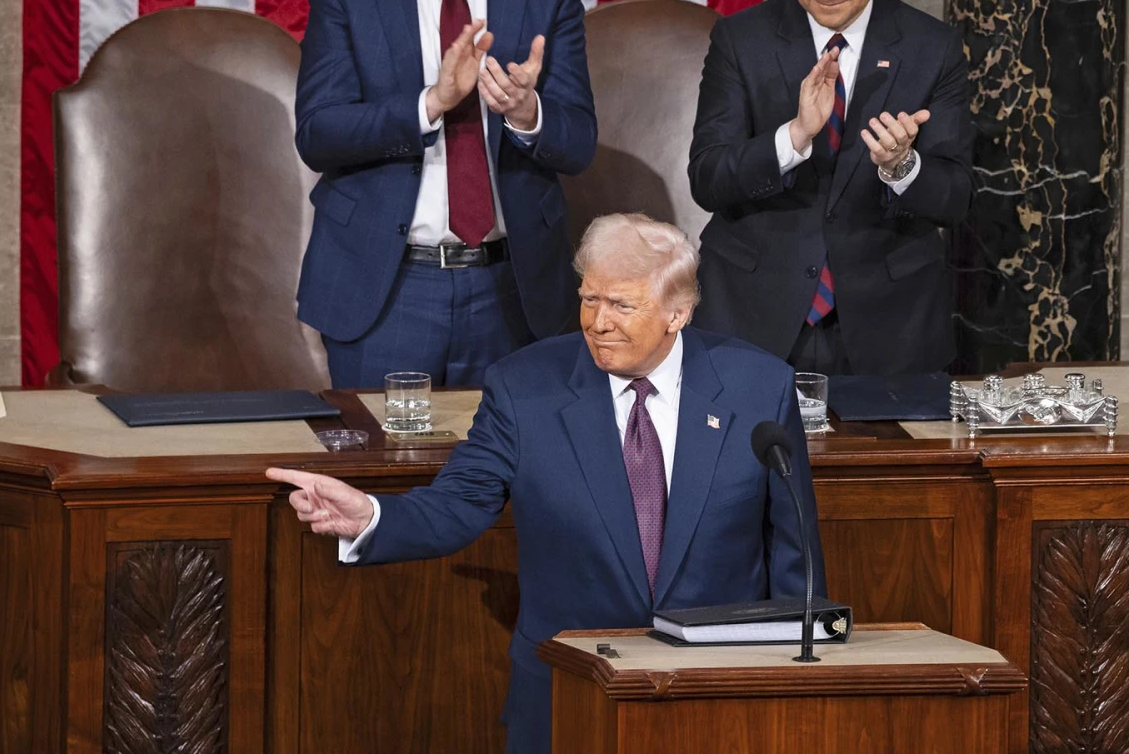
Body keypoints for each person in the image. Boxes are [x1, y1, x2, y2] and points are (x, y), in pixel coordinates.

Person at [268, 213, 824, 754]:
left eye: (621, 305)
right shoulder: (524, 387)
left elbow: (794, 551)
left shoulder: (757, 386)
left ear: (677, 313)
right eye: (589, 299)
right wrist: (372, 516)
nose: (598, 322)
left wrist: (799, 684)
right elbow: (460, 501)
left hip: (718, 694)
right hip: (567, 689)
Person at [294, 0, 596, 389]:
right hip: (386, 289)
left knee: (510, 452)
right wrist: (430, 103)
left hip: (512, 289)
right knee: (382, 451)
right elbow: (318, 133)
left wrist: (526, 112)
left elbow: (579, 142)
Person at [688, 0, 975, 376]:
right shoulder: (741, 40)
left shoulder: (933, 47)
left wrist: (902, 166)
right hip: (754, 316)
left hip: (890, 324)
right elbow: (707, 180)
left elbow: (955, 199)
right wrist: (793, 137)